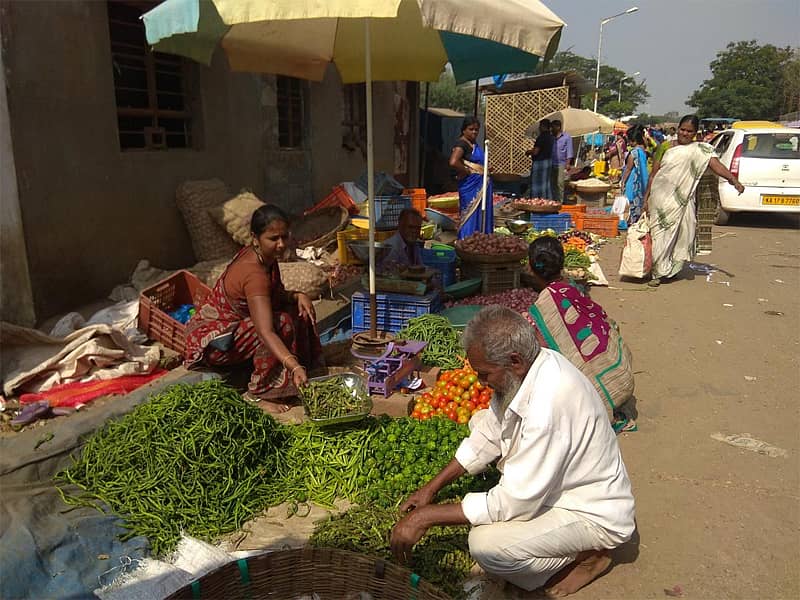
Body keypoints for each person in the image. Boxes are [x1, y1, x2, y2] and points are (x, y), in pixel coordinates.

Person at [390, 306, 635, 597]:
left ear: (514, 361)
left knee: (487, 547)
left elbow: (514, 501)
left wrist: (425, 517)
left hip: (590, 512)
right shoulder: (532, 369)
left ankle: (591, 555)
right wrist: (431, 488)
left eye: (485, 374)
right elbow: (489, 432)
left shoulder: (550, 402)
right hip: (553, 492)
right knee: (493, 534)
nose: (481, 382)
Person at [184, 205, 322, 412]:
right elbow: (265, 331)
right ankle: (258, 393)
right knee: (281, 323)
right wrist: (292, 364)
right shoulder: (254, 273)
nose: (281, 244)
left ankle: (303, 371)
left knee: (297, 311)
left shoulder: (266, 259)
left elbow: (273, 297)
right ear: (255, 238)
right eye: (273, 239)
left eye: (284, 236)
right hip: (216, 342)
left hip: (239, 331)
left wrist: (297, 295)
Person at [526, 236, 636, 432]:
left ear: (530, 268)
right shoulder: (571, 288)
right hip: (621, 376)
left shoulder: (545, 303)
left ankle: (592, 405)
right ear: (561, 263)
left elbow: (543, 352)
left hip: (604, 397)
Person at [643, 115, 744, 287]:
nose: (685, 133)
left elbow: (716, 165)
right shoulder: (665, 147)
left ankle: (671, 268)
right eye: (682, 129)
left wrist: (733, 180)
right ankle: (657, 273)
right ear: (678, 129)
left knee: (684, 234)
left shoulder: (701, 150)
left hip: (683, 200)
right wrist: (646, 198)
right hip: (661, 198)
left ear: (695, 133)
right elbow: (654, 174)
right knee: (661, 235)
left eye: (689, 131)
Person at [449, 116, 493, 239]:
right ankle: (466, 241)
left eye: (476, 130)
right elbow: (453, 161)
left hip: (480, 183)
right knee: (470, 214)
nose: (474, 132)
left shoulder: (473, 144)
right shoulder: (462, 144)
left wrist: (484, 169)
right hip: (471, 185)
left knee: (480, 213)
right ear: (464, 130)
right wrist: (467, 171)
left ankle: (479, 241)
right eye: (471, 129)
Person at [621, 125, 650, 224]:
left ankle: (629, 221)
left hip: (632, 182)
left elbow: (628, 169)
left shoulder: (633, 153)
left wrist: (623, 182)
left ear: (633, 140)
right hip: (640, 183)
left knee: (629, 201)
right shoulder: (643, 151)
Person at [379, 208, 423, 273]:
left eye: (418, 228)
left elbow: (420, 266)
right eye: (410, 227)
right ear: (400, 225)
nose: (414, 231)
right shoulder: (391, 248)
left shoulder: (414, 244)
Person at [525, 118, 554, 199]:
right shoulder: (551, 137)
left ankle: (536, 200)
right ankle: (546, 200)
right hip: (548, 161)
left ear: (542, 126)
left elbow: (536, 152)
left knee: (536, 183)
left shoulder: (542, 137)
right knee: (546, 183)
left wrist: (528, 152)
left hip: (540, 162)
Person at [550, 120, 574, 203]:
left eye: (553, 128)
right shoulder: (551, 137)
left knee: (560, 183)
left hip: (562, 163)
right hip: (551, 163)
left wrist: (568, 163)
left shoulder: (567, 137)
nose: (551, 129)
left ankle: (560, 201)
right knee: (552, 183)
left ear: (558, 127)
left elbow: (569, 151)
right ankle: (553, 200)